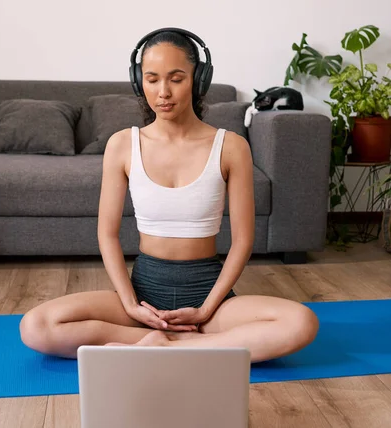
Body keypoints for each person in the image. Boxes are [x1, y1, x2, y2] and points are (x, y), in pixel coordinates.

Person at [19, 27, 319, 363]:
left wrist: (207, 309)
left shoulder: (231, 146)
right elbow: (107, 234)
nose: (163, 92)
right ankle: (167, 340)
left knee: (301, 322)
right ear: (139, 82)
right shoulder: (122, 145)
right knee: (36, 326)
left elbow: (242, 242)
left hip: (209, 296)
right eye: (152, 79)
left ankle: (168, 346)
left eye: (176, 78)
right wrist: (130, 302)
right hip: (144, 296)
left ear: (198, 80)